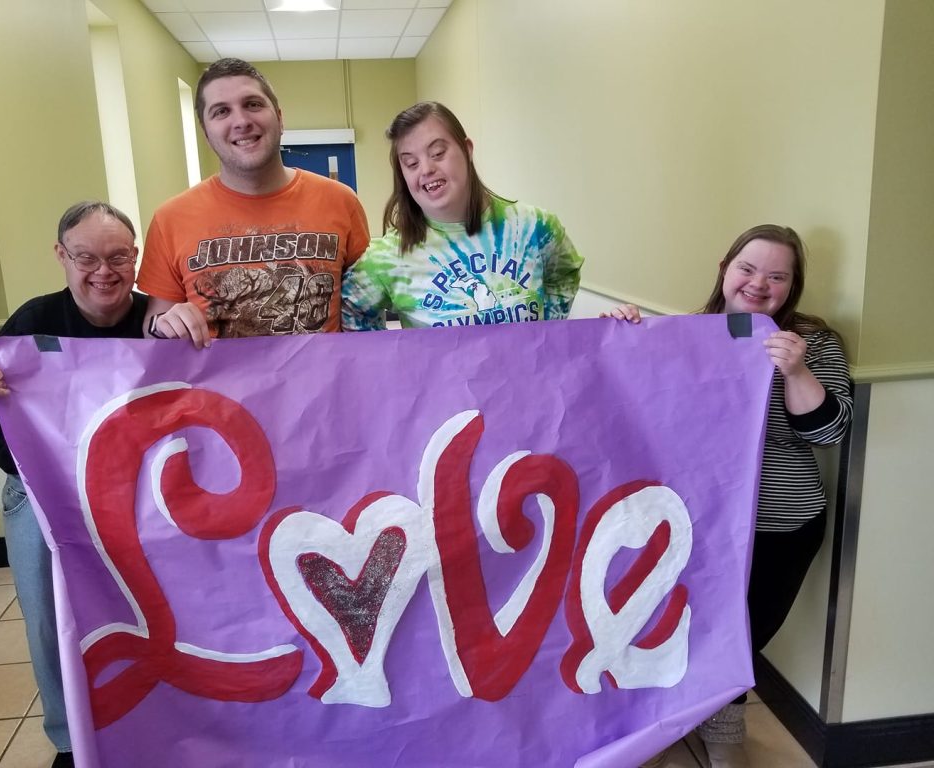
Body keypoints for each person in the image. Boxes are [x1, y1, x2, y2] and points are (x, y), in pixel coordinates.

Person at [607, 225, 853, 768]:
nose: (759, 283)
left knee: (745, 631)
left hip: (780, 522)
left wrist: (796, 369)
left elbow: (830, 433)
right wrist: (622, 334)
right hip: (700, 519)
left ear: (792, 286)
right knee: (683, 625)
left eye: (777, 275)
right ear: (725, 268)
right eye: (748, 268)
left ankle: (722, 719)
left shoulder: (811, 342)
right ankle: (675, 719)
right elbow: (635, 407)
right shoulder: (686, 334)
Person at [0, 201, 150, 768]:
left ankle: (155, 722)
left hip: (138, 497)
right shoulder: (32, 322)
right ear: (61, 257)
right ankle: (70, 741)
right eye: (86, 257)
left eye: (118, 256)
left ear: (137, 257)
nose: (103, 271)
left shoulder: (156, 320)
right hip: (41, 497)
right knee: (49, 623)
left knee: (147, 610)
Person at [137, 58, 370, 345]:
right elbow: (153, 325)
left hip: (323, 387)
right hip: (217, 389)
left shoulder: (341, 201)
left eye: (253, 104)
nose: (242, 121)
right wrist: (164, 325)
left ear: (280, 118)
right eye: (221, 111)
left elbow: (365, 309)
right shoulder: (170, 219)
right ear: (206, 133)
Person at [341, 101, 583, 330]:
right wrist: (394, 362)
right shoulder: (387, 256)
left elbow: (564, 274)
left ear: (466, 150)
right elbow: (352, 309)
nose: (426, 169)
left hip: (531, 374)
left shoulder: (534, 227)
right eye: (411, 163)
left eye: (437, 153)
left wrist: (550, 333)